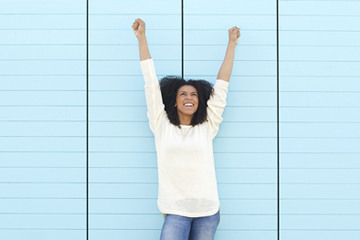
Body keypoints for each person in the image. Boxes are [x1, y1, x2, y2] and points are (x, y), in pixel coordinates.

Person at [132, 18, 240, 240]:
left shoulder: (207, 126)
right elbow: (150, 84)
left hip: (208, 211)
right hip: (175, 211)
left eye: (194, 94)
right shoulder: (161, 125)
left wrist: (231, 45)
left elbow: (222, 86)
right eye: (183, 94)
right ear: (174, 101)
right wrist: (142, 38)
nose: (189, 97)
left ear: (200, 101)